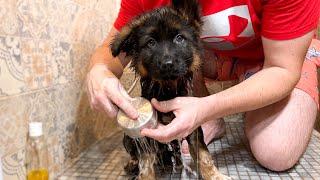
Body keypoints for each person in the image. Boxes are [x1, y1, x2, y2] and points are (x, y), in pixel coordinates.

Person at [86, 0, 320, 172]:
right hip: (214, 59)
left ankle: (227, 108)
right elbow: (111, 51)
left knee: (277, 151)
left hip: (279, 58)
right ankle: (212, 119)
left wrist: (207, 107)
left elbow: (282, 69)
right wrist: (99, 71)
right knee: (180, 51)